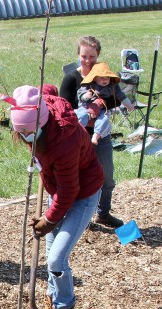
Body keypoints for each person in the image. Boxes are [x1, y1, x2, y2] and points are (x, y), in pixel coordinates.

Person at [4, 85, 104, 309]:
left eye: (29, 132)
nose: (26, 137)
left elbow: (71, 189)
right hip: (58, 189)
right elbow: (47, 90)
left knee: (57, 258)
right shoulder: (39, 108)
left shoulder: (64, 142)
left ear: (43, 123)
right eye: (21, 132)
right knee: (51, 258)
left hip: (82, 194)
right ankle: (53, 298)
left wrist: (50, 219)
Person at [59, 36, 124, 229]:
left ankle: (103, 213)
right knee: (78, 177)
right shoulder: (72, 78)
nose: (88, 61)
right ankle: (79, 217)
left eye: (92, 57)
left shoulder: (105, 75)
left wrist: (99, 104)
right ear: (78, 55)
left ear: (98, 56)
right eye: (84, 56)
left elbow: (117, 98)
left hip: (100, 133)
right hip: (78, 135)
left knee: (106, 175)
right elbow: (64, 106)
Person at [76, 62, 134, 145]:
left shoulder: (112, 86)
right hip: (86, 107)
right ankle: (77, 132)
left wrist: (128, 104)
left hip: (102, 109)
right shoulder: (88, 85)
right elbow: (80, 95)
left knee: (104, 119)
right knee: (81, 116)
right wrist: (86, 96)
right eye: (102, 78)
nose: (105, 80)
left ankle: (95, 136)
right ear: (95, 78)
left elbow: (121, 96)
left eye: (107, 77)